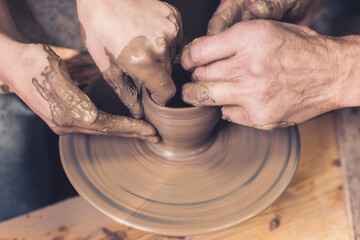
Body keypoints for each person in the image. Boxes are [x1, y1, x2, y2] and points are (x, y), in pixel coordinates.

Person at [0, 0, 346, 220]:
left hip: (248, 27)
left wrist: (335, 65)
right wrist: (8, 57)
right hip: (40, 48)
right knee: (24, 212)